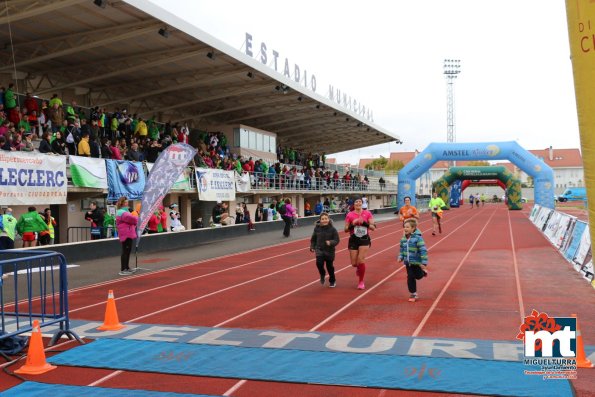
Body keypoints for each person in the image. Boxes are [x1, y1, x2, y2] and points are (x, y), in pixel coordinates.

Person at [344, 195, 376, 290]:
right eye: (356, 202)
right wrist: (352, 224)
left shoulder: (368, 213)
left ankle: (361, 281)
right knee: (354, 263)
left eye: (359, 202)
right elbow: (345, 229)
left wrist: (364, 223)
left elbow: (373, 227)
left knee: (361, 260)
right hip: (353, 239)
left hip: (364, 239)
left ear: (362, 203)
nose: (358, 203)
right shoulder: (349, 214)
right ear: (353, 204)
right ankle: (358, 268)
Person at [398, 218, 428, 302]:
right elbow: (401, 249)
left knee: (418, 276)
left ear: (413, 228)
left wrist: (424, 262)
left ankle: (423, 272)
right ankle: (413, 293)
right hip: (408, 263)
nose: (405, 228)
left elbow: (423, 250)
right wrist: (400, 257)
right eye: (404, 227)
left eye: (407, 227)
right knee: (410, 277)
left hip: (417, 262)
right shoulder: (403, 239)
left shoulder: (418, 238)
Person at [310, 212, 340, 288]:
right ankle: (322, 273)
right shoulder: (317, 229)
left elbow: (337, 240)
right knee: (319, 263)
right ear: (320, 220)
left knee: (330, 267)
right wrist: (312, 246)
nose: (324, 220)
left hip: (329, 251)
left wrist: (331, 242)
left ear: (328, 219)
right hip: (319, 249)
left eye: (326, 219)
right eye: (322, 219)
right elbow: (313, 239)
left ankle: (332, 280)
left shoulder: (333, 229)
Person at [115, 196, 137, 276]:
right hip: (126, 234)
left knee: (127, 251)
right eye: (126, 202)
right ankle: (123, 269)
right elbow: (133, 219)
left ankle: (126, 267)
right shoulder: (123, 212)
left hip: (127, 233)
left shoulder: (124, 211)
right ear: (123, 203)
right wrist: (135, 214)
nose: (128, 203)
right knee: (125, 251)